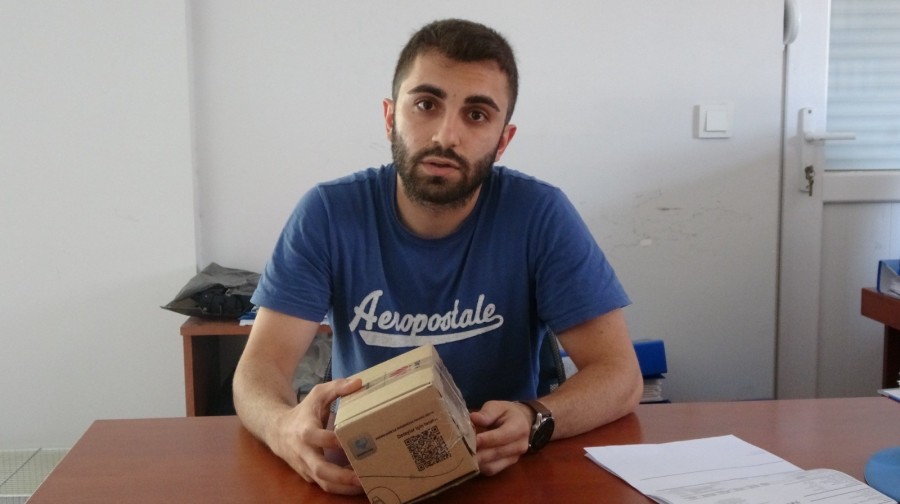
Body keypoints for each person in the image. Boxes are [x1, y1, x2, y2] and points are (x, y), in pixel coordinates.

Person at [233, 18, 643, 496]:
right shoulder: (328, 213)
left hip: (500, 472)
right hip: (366, 474)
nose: (446, 136)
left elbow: (621, 376)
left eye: (477, 114)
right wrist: (282, 427)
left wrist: (536, 418)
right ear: (390, 117)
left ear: (503, 140)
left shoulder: (540, 215)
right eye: (426, 105)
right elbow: (259, 370)